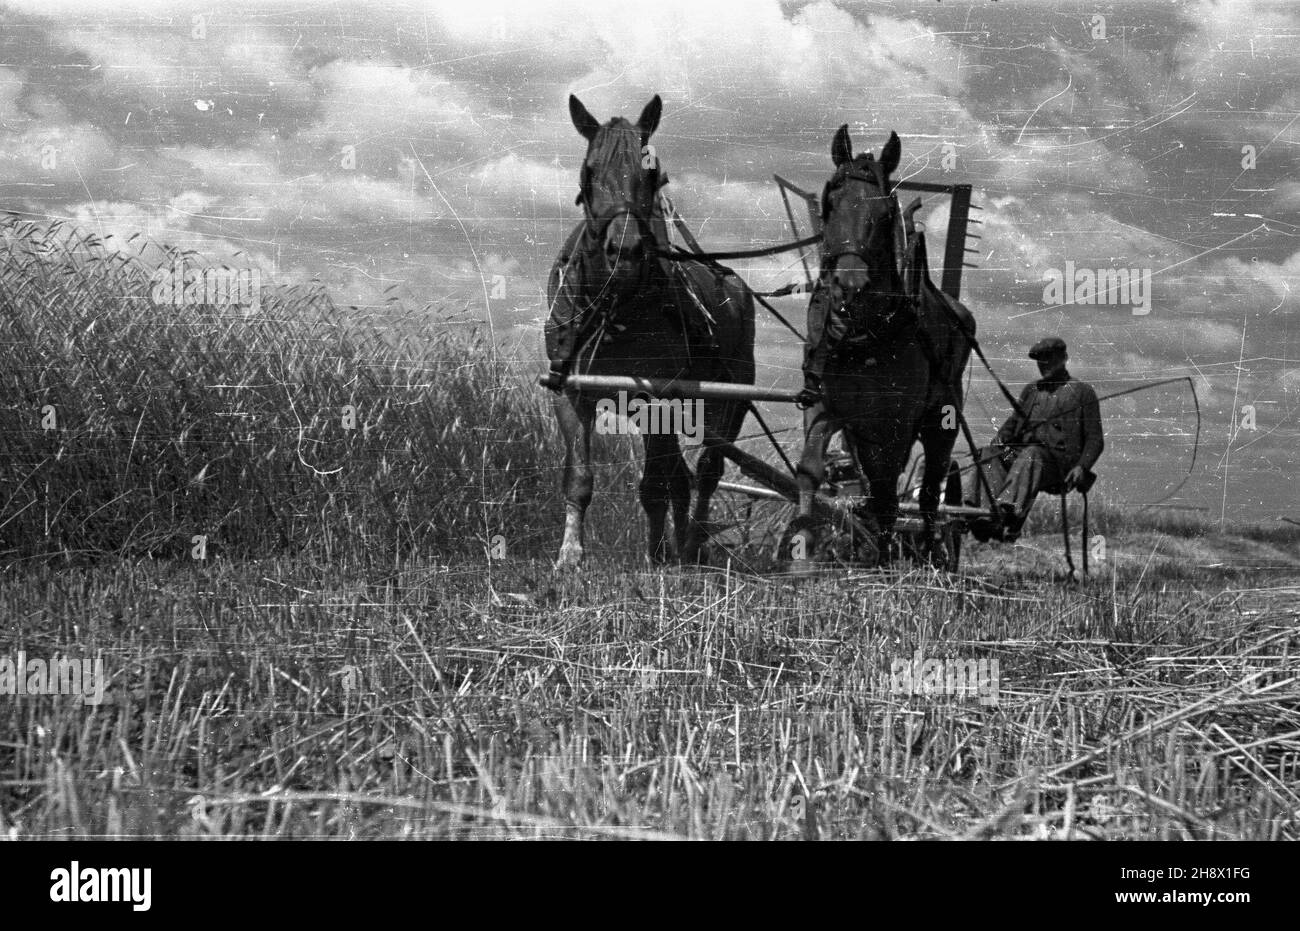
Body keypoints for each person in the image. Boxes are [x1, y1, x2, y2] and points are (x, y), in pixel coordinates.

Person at [965, 337, 1104, 541]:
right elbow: (1012, 425)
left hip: (1058, 465)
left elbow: (1095, 439)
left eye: (1050, 358)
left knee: (1032, 454)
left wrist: (1082, 467)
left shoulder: (1082, 392)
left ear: (1064, 358)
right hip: (1023, 458)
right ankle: (980, 514)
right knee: (988, 454)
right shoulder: (1031, 390)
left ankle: (1008, 513)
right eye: (1040, 360)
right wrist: (996, 443)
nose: (1044, 364)